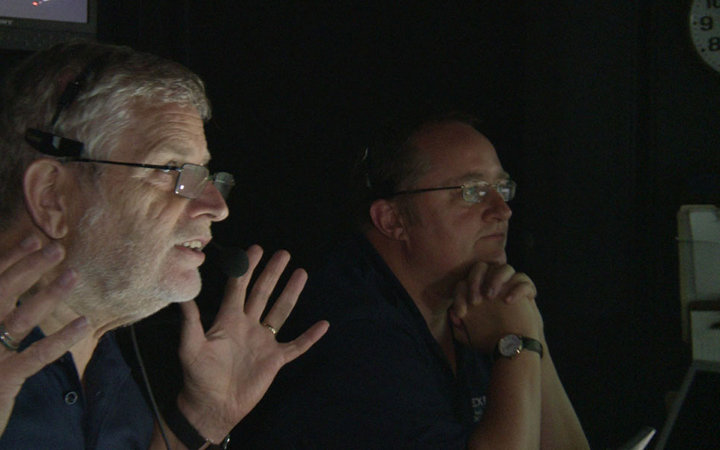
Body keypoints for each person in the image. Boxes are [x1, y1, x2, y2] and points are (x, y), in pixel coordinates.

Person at [0, 40, 329, 449]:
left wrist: (201, 419)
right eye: (171, 169)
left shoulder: (106, 359)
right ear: (52, 196)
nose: (216, 206)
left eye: (205, 175)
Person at [234, 113, 590, 448]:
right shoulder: (349, 331)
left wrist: (530, 327)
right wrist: (519, 344)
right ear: (392, 220)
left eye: (502, 188)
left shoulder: (481, 304)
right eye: (472, 191)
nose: (503, 210)